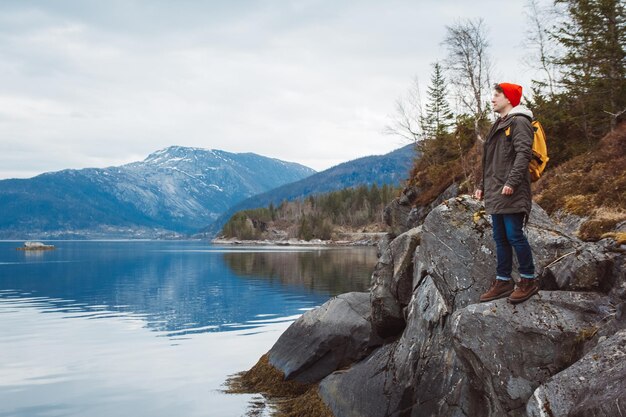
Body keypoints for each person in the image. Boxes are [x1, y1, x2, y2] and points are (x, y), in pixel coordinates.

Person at [474, 82, 539, 304]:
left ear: (509, 99)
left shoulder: (520, 122)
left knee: (514, 236)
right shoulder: (499, 124)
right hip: (496, 191)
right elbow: (490, 161)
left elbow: (524, 154)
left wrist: (512, 181)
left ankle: (528, 280)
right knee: (500, 237)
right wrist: (482, 185)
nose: (492, 99)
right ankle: (503, 281)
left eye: (497, 96)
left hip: (512, 191)